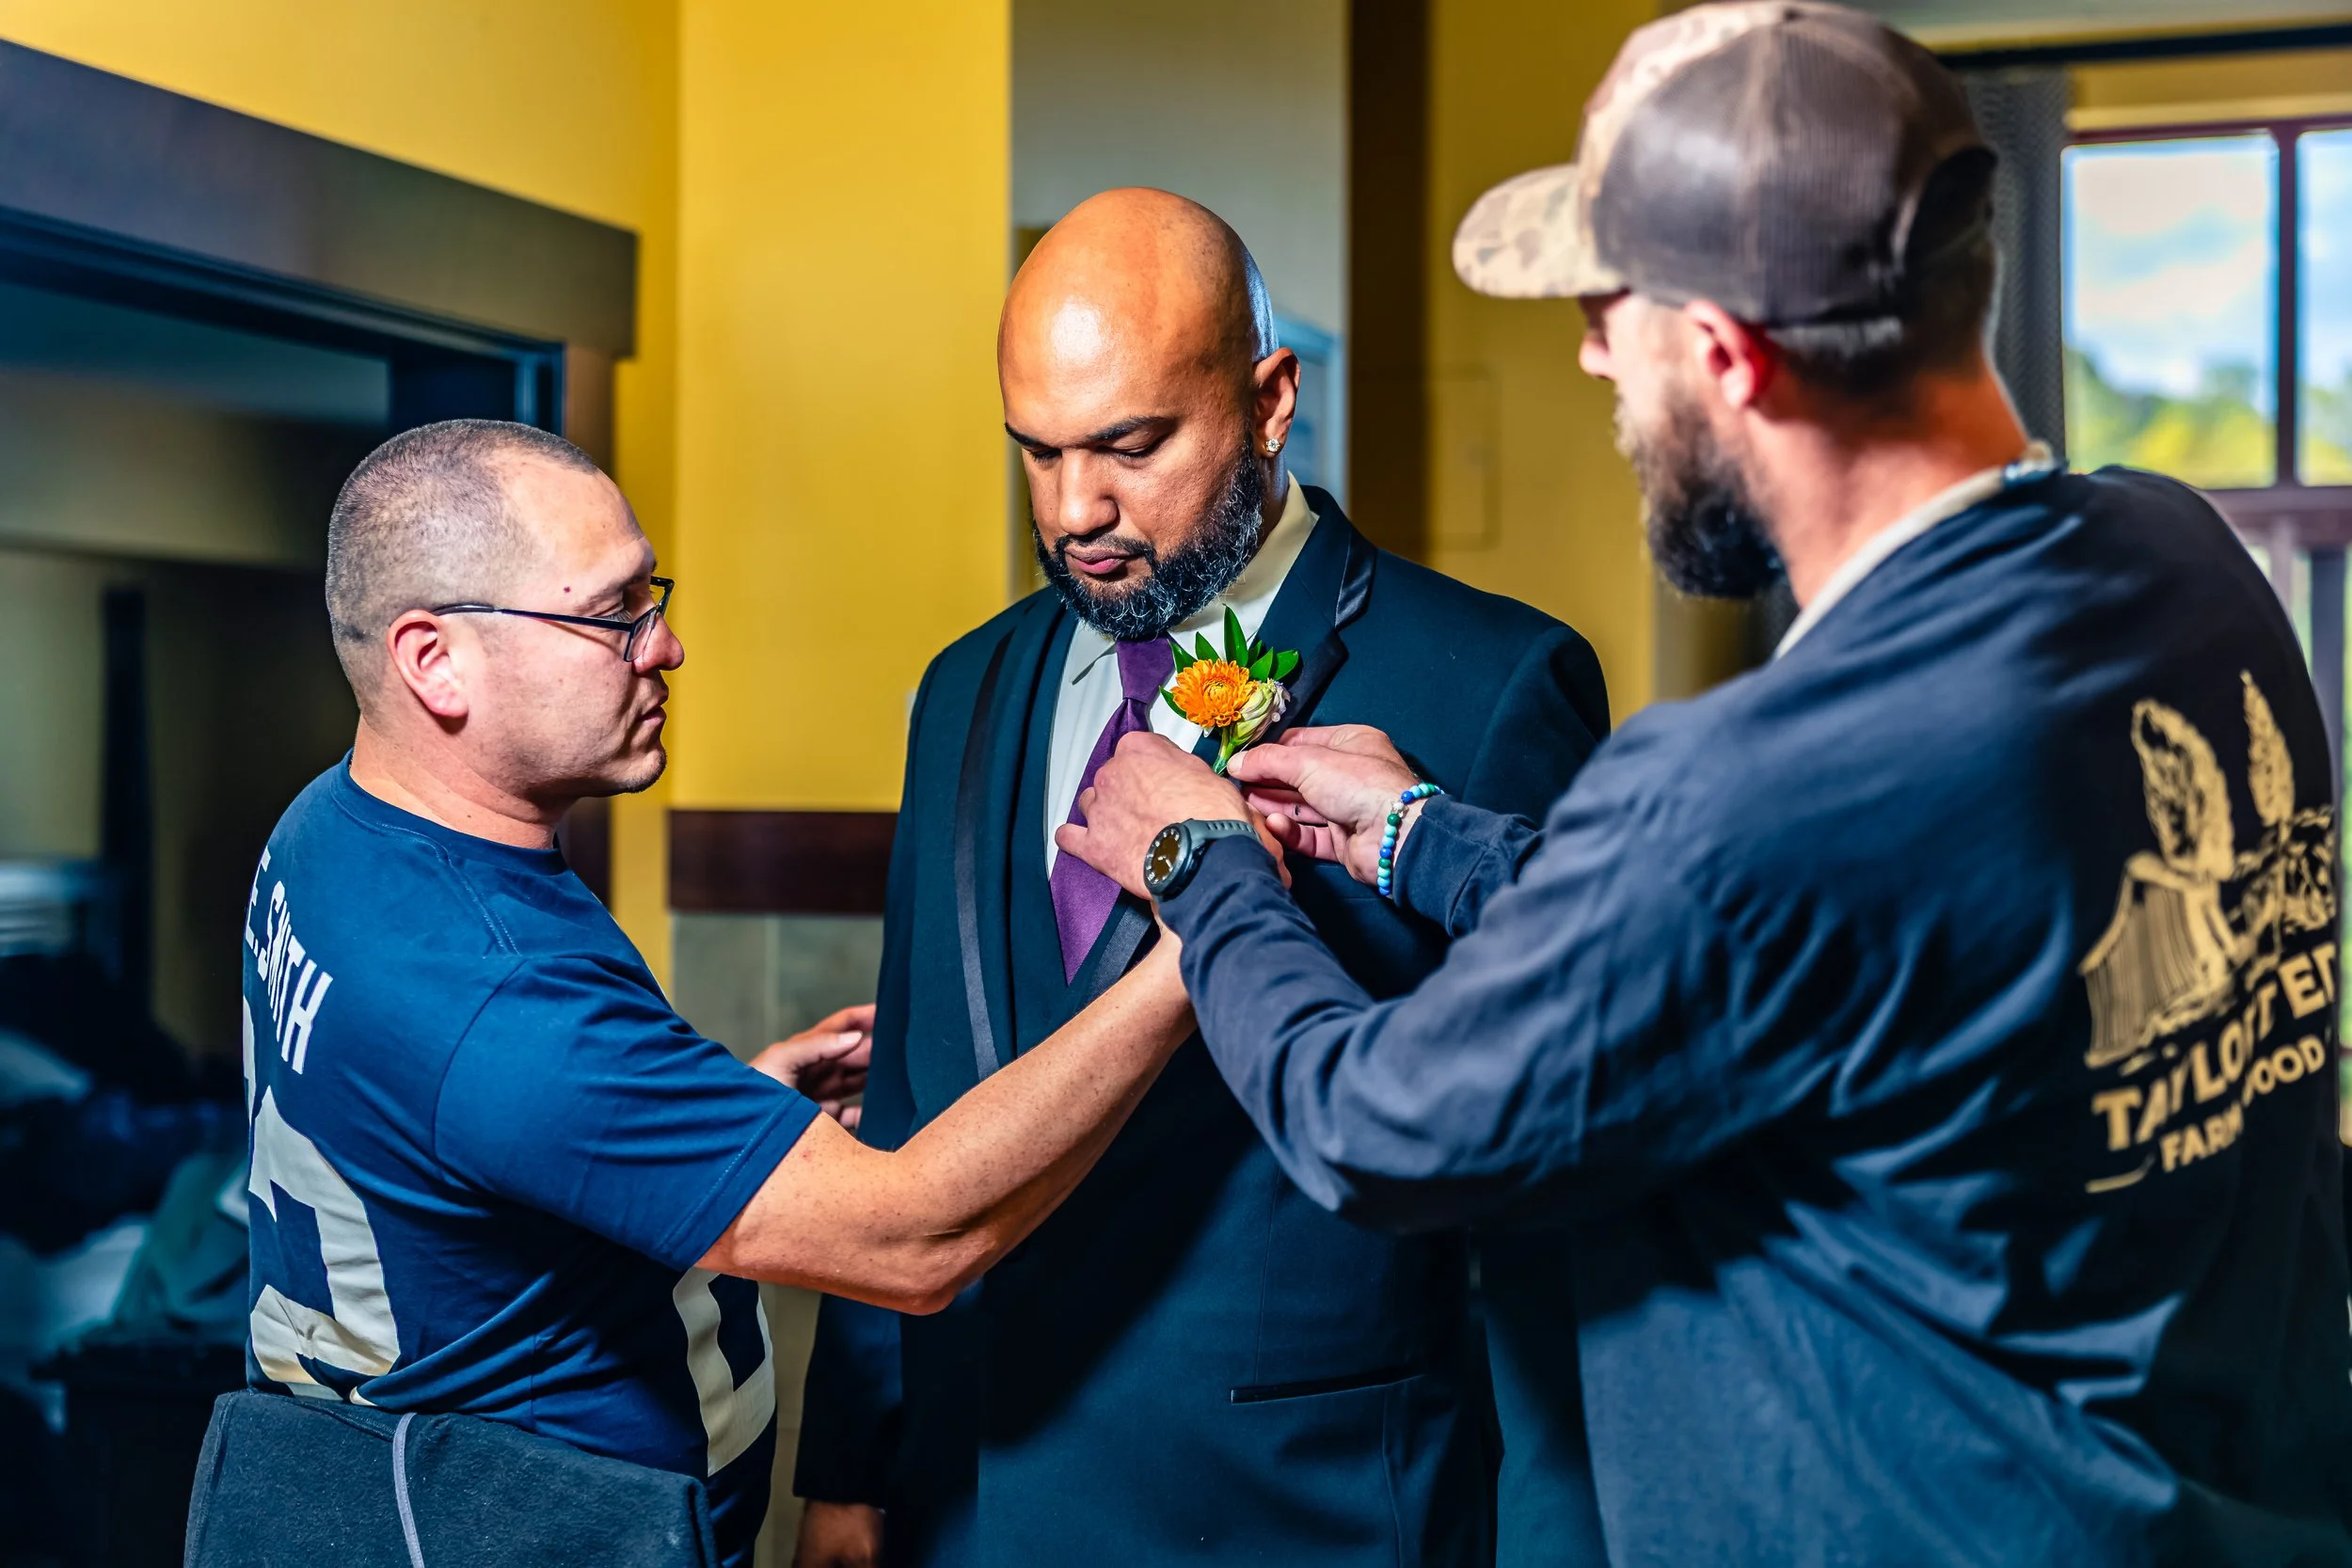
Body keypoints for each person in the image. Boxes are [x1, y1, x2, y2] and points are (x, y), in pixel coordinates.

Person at [1061, 6, 2352, 1565]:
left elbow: (1381, 1123)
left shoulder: (1749, 787)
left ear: (1732, 358)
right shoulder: (2188, 565)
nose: (1595, 351)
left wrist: (1208, 872)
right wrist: (1415, 835)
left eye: (1616, 311)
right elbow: (1802, 926)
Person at [790, 188, 1608, 1568]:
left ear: (1273, 399)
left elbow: (1547, 1218)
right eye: (1036, 454)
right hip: (970, 1502)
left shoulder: (1489, 685)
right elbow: (916, 1098)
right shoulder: (964, 689)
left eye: (1130, 445)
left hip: (1300, 1511)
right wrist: (853, 1473)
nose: (1076, 511)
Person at [228, 419, 1197, 1568]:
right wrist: (1200, 943)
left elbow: (468, 1132)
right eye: (612, 613)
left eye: (654, 595)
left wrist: (709, 1115)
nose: (666, 645)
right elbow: (917, 1240)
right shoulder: (508, 1007)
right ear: (433, 660)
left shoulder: (326, 836)